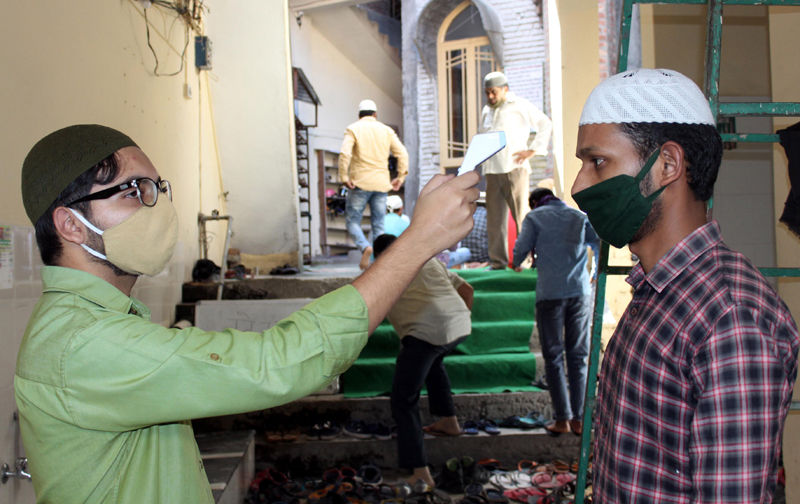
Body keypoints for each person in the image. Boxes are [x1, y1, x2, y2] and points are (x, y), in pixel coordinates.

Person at [15, 125, 479, 504]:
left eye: (158, 188)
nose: (157, 206)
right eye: (134, 191)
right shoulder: (83, 342)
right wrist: (418, 241)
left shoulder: (97, 323)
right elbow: (276, 363)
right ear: (71, 224)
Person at [571, 69, 799, 501]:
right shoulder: (656, 292)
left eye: (597, 162)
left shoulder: (730, 321)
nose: (579, 185)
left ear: (668, 166)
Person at [372, 234, 473, 489]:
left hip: (425, 333)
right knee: (434, 362)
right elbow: (467, 290)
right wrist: (452, 320)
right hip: (459, 325)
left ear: (379, 256)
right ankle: (449, 423)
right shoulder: (427, 260)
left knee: (403, 399)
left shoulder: (383, 270)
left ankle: (420, 473)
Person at [512, 188, 599, 437]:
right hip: (579, 292)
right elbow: (599, 243)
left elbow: (519, 253)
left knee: (553, 357)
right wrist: (592, 274)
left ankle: (562, 419)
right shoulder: (579, 216)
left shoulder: (535, 217)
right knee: (578, 357)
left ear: (534, 203)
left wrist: (519, 263)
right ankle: (579, 420)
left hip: (550, 294)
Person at [479, 71, 552, 270]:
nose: (491, 97)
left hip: (514, 169)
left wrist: (533, 150)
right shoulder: (486, 110)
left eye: (494, 92)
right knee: (494, 219)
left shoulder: (519, 104)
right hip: (492, 170)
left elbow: (545, 123)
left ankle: (525, 261)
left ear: (505, 89)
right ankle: (498, 263)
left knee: (521, 217)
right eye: (487, 93)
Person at [339, 99, 409, 270]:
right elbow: (403, 154)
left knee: (352, 221)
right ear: (375, 114)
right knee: (379, 225)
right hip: (381, 184)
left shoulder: (353, 129)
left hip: (360, 184)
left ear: (359, 115)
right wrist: (400, 177)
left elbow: (344, 153)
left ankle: (365, 246)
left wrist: (343, 176)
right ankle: (380, 264)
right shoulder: (387, 130)